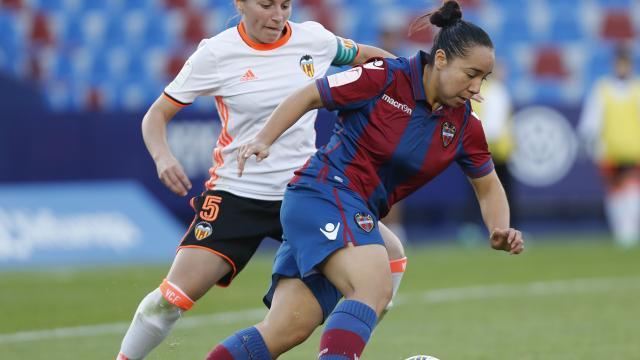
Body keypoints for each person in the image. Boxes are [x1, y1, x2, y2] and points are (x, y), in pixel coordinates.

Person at [211, 1, 525, 358]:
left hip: (350, 212)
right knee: (373, 286)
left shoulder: (465, 126)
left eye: (483, 77)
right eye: (470, 74)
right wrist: (265, 138)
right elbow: (311, 93)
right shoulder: (385, 76)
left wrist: (499, 228)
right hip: (322, 194)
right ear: (440, 60)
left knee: (285, 329)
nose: (476, 86)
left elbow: (488, 186)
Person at [115, 1, 408, 359]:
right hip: (238, 194)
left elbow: (370, 59)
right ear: (240, 4)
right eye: (266, 4)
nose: (278, 14)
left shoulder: (313, 39)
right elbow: (156, 115)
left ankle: (340, 351)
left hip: (307, 192)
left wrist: (414, 80)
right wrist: (163, 157)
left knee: (391, 257)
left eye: (285, 5)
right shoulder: (217, 53)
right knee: (170, 300)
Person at [578, 45, 640, 248]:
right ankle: (620, 232)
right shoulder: (602, 89)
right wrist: (589, 141)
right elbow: (591, 120)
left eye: (625, 64)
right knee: (614, 194)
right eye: (619, 64)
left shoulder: (637, 89)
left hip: (634, 151)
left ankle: (629, 233)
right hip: (610, 152)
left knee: (632, 192)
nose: (622, 67)